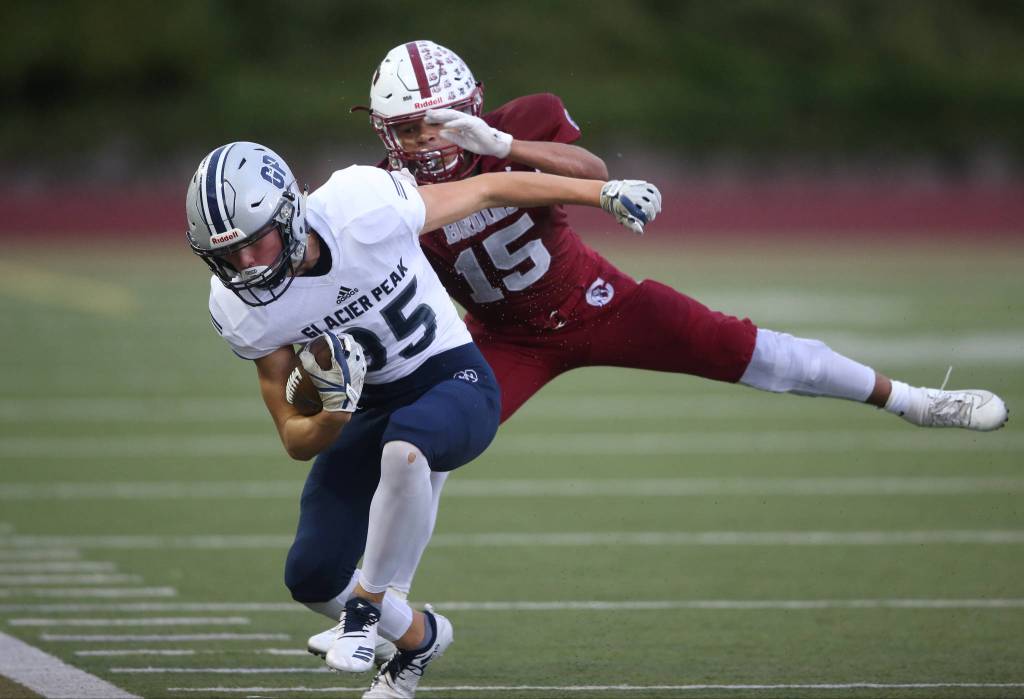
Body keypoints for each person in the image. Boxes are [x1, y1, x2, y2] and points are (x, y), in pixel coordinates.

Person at [330, 37, 1012, 685]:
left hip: (596, 299)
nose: (423, 142)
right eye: (407, 129)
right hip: (507, 338)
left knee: (747, 348)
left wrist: (500, 146)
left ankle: (914, 400)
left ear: (469, 107)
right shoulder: (383, 190)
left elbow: (594, 174)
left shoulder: (515, 127)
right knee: (427, 445)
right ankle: (394, 615)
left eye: (434, 124)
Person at [185, 140, 661, 698]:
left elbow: (488, 188)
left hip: (451, 379)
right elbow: (293, 435)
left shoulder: (361, 205)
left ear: (290, 212)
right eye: (229, 254)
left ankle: (366, 609)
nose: (246, 265)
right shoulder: (240, 305)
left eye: (256, 243)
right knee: (311, 577)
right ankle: (418, 640)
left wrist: (599, 192)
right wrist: (333, 417)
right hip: (366, 407)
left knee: (406, 450)